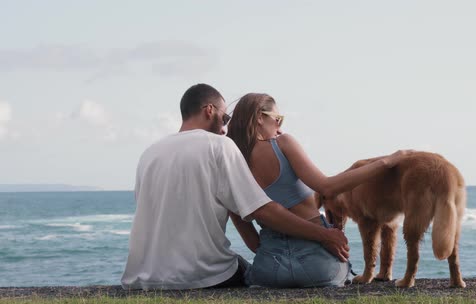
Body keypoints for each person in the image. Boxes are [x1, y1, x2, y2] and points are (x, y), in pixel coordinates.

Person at [121, 84, 349, 290]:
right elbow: (262, 210)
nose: (224, 128)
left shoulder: (149, 154)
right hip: (201, 276)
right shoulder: (219, 146)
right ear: (209, 111)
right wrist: (325, 235)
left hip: (144, 277)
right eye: (225, 118)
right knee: (244, 269)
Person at [226, 93, 413, 288]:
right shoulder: (283, 144)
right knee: (343, 272)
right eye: (277, 120)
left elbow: (253, 243)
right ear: (259, 117)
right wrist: (387, 161)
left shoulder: (231, 166)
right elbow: (327, 187)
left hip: (269, 270)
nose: (279, 128)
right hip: (318, 266)